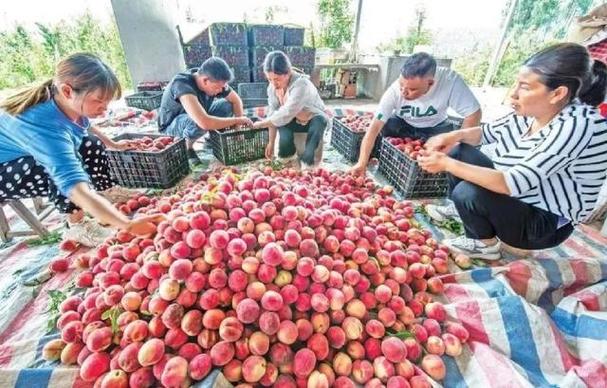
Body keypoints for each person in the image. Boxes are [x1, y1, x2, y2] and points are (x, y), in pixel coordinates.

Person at [419, 43, 607, 260]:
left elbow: (512, 183)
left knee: (467, 191)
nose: (514, 94)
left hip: (545, 222)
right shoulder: (539, 109)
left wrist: (446, 164)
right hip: (526, 196)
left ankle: (484, 244)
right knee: (459, 151)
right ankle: (467, 214)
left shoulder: (578, 126)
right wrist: (453, 136)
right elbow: (487, 132)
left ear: (558, 93)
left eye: (525, 87)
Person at [0, 53, 162, 246]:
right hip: (5, 173)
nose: (104, 109)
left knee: (90, 142)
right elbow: (74, 186)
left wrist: (112, 144)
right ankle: (77, 225)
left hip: (19, 156)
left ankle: (106, 190)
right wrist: (127, 225)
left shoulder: (61, 99)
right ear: (68, 91)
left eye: (107, 102)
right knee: (53, 166)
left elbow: (81, 126)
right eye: (98, 101)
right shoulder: (41, 126)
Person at [350, 52, 482, 175]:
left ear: (430, 83)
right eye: (402, 85)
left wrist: (458, 144)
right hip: (403, 125)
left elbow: (473, 113)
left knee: (446, 153)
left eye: (412, 89)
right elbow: (374, 128)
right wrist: (361, 163)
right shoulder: (394, 91)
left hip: (435, 128)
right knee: (387, 126)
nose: (404, 92)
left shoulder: (450, 81)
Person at [158, 57, 253, 164]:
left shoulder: (212, 78)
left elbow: (236, 101)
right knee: (197, 122)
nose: (220, 91)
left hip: (199, 117)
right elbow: (204, 122)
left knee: (227, 104)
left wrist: (238, 130)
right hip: (172, 127)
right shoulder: (182, 84)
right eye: (217, 87)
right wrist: (237, 120)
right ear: (205, 80)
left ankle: (213, 138)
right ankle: (187, 148)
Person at [251, 51, 329, 169]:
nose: (273, 83)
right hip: (293, 120)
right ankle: (287, 155)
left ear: (287, 73)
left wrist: (261, 123)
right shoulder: (272, 88)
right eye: (269, 79)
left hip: (312, 120)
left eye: (276, 79)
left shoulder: (301, 84)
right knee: (280, 120)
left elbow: (288, 112)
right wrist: (271, 142)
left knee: (319, 121)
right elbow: (273, 114)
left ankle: (310, 162)